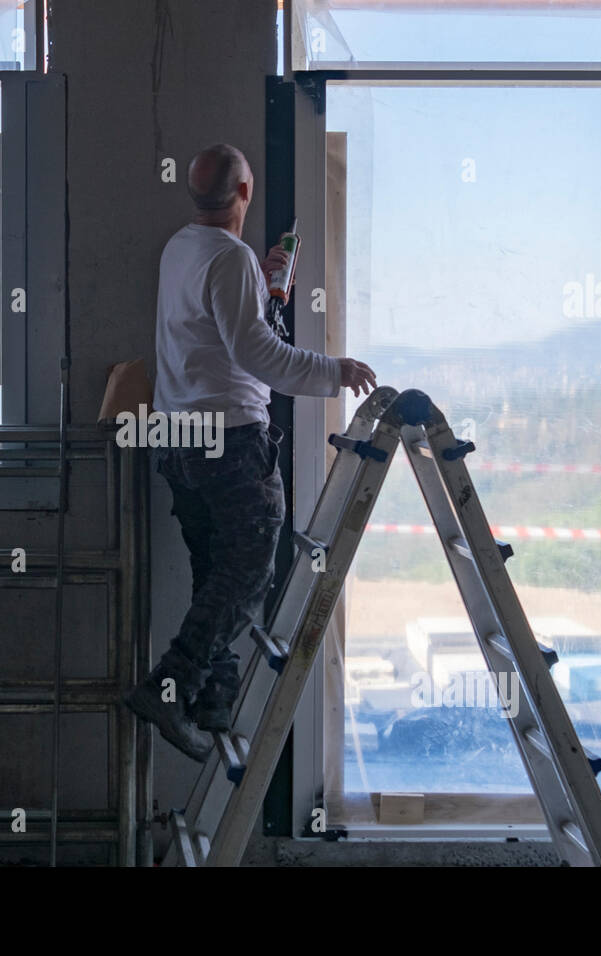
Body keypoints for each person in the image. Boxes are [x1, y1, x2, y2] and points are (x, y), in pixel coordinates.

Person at [123, 143, 377, 760]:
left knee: (216, 574)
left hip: (181, 437)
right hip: (232, 440)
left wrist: (261, 293)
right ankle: (169, 687)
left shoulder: (181, 248)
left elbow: (216, 332)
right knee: (252, 571)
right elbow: (257, 356)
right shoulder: (231, 259)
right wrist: (334, 371)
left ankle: (213, 704)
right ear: (244, 193)